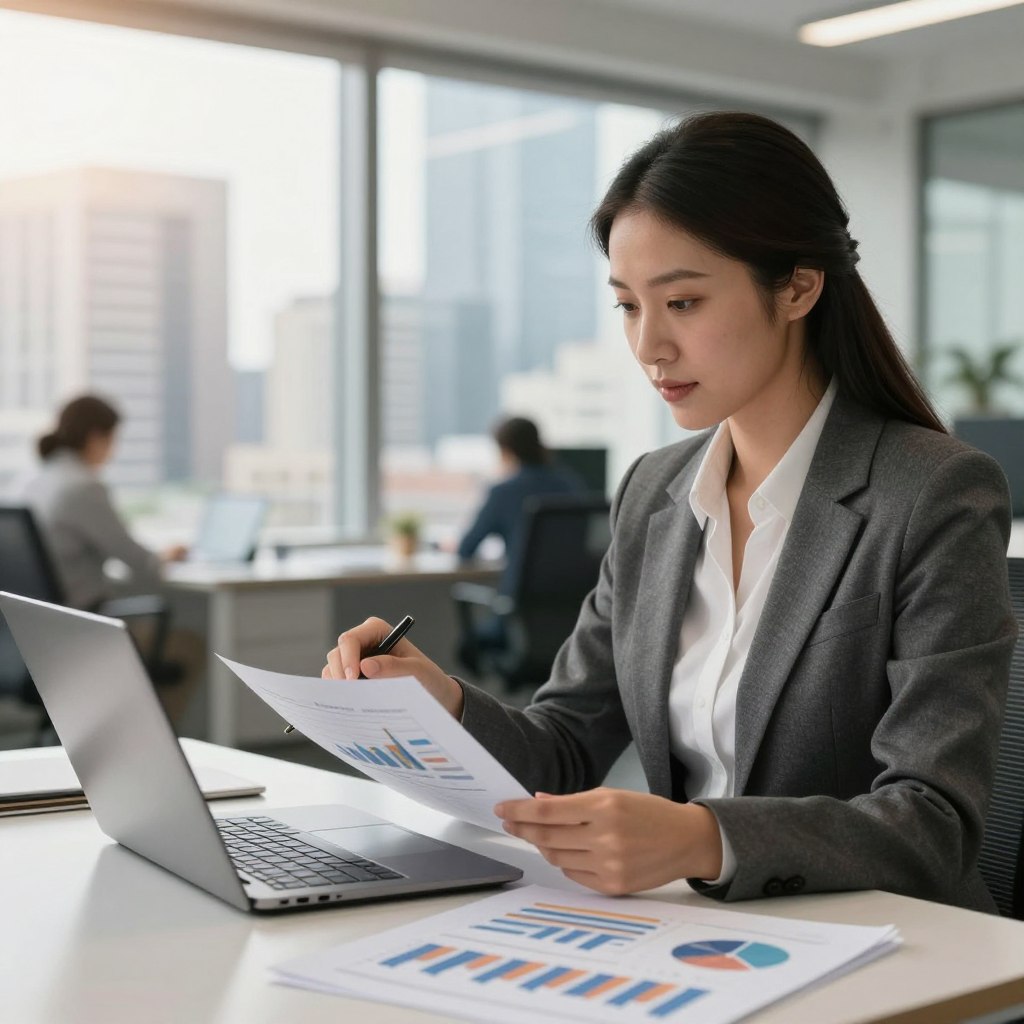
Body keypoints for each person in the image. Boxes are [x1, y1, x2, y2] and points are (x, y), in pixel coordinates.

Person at [323, 112, 1017, 912]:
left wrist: (701, 837)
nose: (649, 344)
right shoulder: (654, 493)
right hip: (698, 937)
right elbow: (564, 748)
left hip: (896, 944)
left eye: (682, 302)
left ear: (797, 286)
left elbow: (934, 824)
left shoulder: (932, 491)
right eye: (627, 306)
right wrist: (437, 699)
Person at [20, 394, 188, 611]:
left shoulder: (34, 481)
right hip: (82, 617)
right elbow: (137, 560)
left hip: (35, 618)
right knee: (191, 637)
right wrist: (164, 557)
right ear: (96, 438)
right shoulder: (83, 487)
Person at [456, 415, 583, 597]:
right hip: (567, 610)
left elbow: (466, 549)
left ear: (505, 451)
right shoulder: (570, 485)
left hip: (516, 612)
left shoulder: (502, 492)